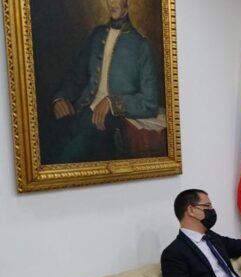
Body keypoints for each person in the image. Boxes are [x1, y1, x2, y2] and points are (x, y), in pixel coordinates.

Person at [48, 0, 158, 163]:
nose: (112, 3)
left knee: (65, 159)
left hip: (109, 122)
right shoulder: (96, 35)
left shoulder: (141, 46)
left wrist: (112, 102)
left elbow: (149, 103)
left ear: (128, 3)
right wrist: (60, 97)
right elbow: (77, 77)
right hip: (80, 112)